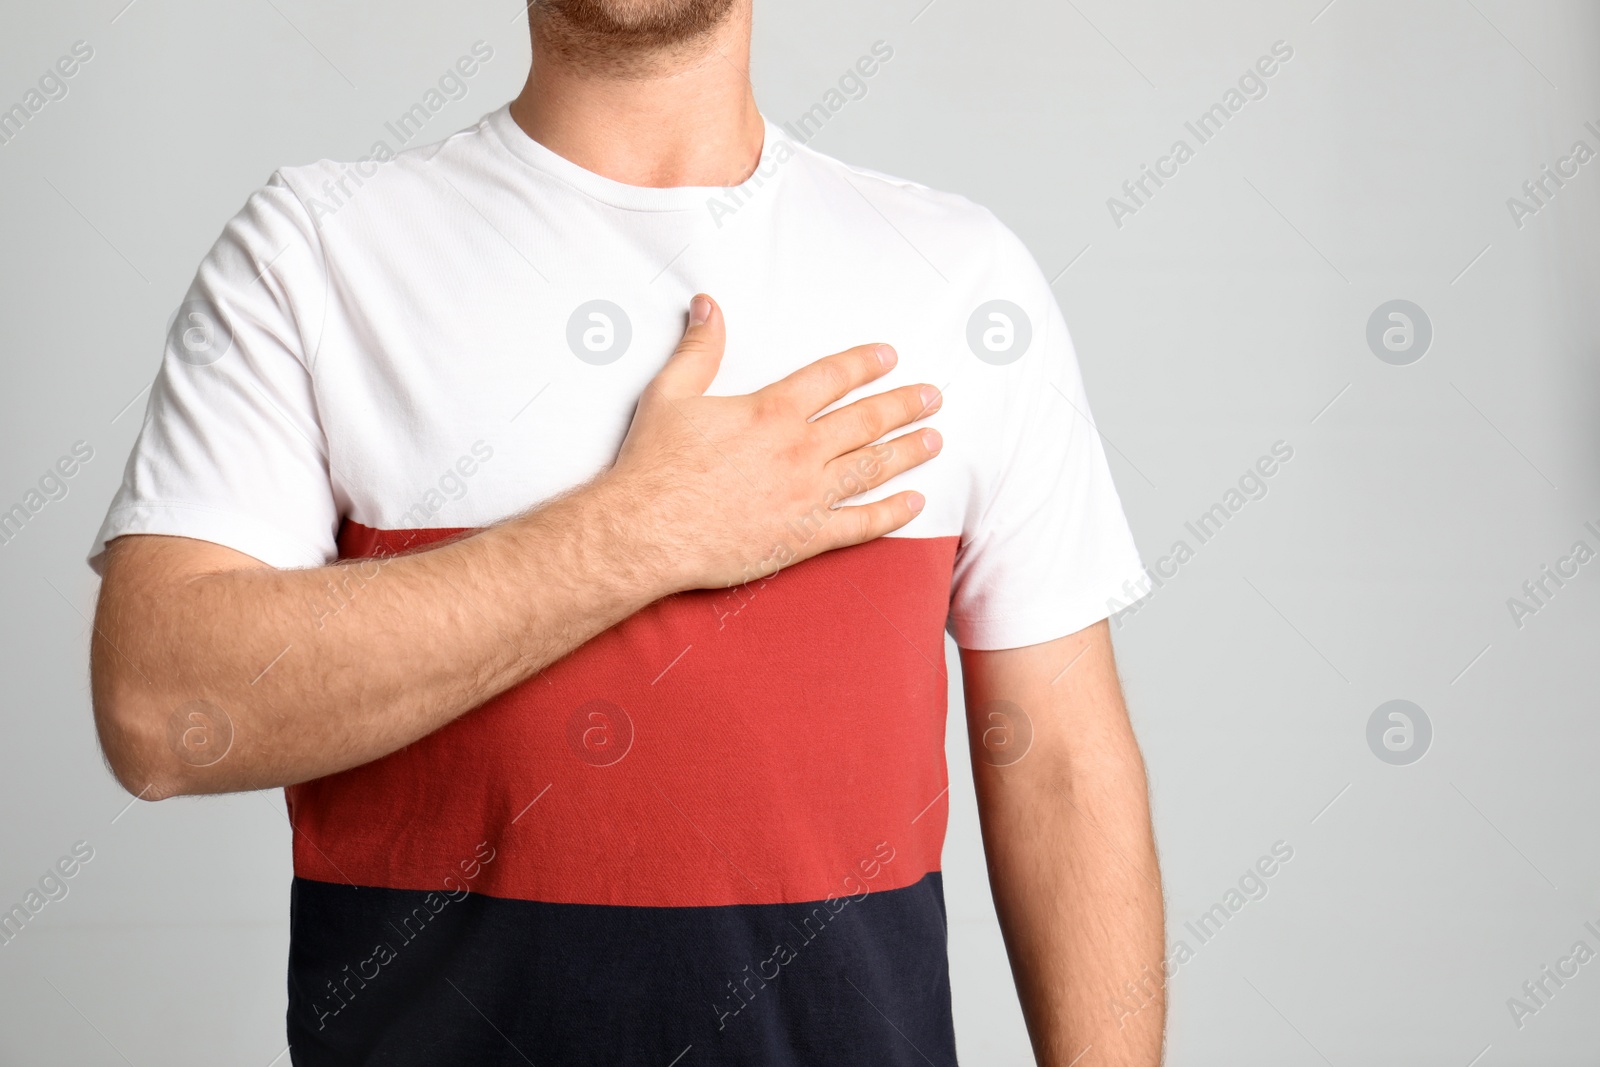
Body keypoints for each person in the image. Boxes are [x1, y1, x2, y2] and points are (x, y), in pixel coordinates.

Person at [88, 1, 1164, 1063]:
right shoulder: (314, 252)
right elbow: (159, 709)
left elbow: (1059, 762)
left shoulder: (959, 278)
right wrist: (642, 529)